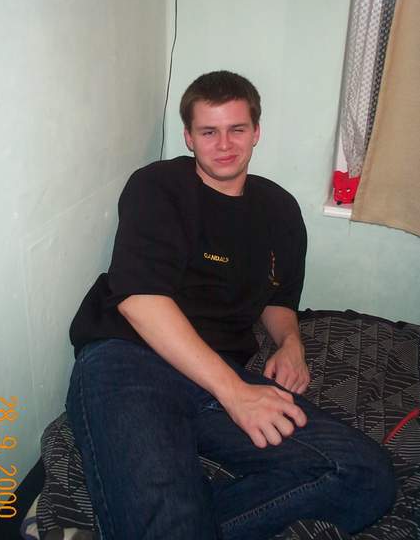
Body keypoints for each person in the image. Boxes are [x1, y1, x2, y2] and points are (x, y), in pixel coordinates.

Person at [67, 71, 395, 540]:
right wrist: (236, 393)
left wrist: (291, 343)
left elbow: (277, 297)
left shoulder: (280, 210)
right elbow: (140, 300)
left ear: (256, 132)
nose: (224, 144)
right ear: (189, 137)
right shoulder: (159, 186)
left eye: (236, 129)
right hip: (129, 362)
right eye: (209, 132)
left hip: (217, 373)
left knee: (365, 476)